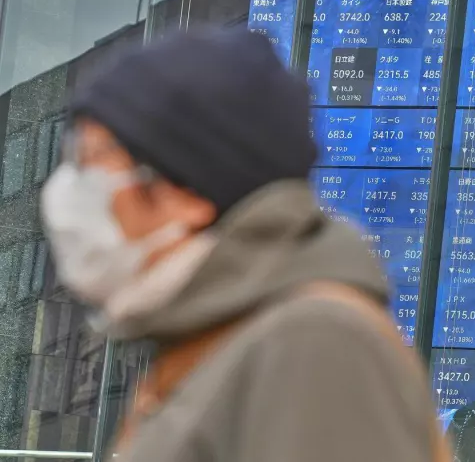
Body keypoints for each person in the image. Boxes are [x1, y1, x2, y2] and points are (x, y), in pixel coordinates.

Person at [39, 28, 450, 462]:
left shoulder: (311, 344)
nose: (68, 192)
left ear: (185, 193)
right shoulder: (218, 334)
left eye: (92, 163)